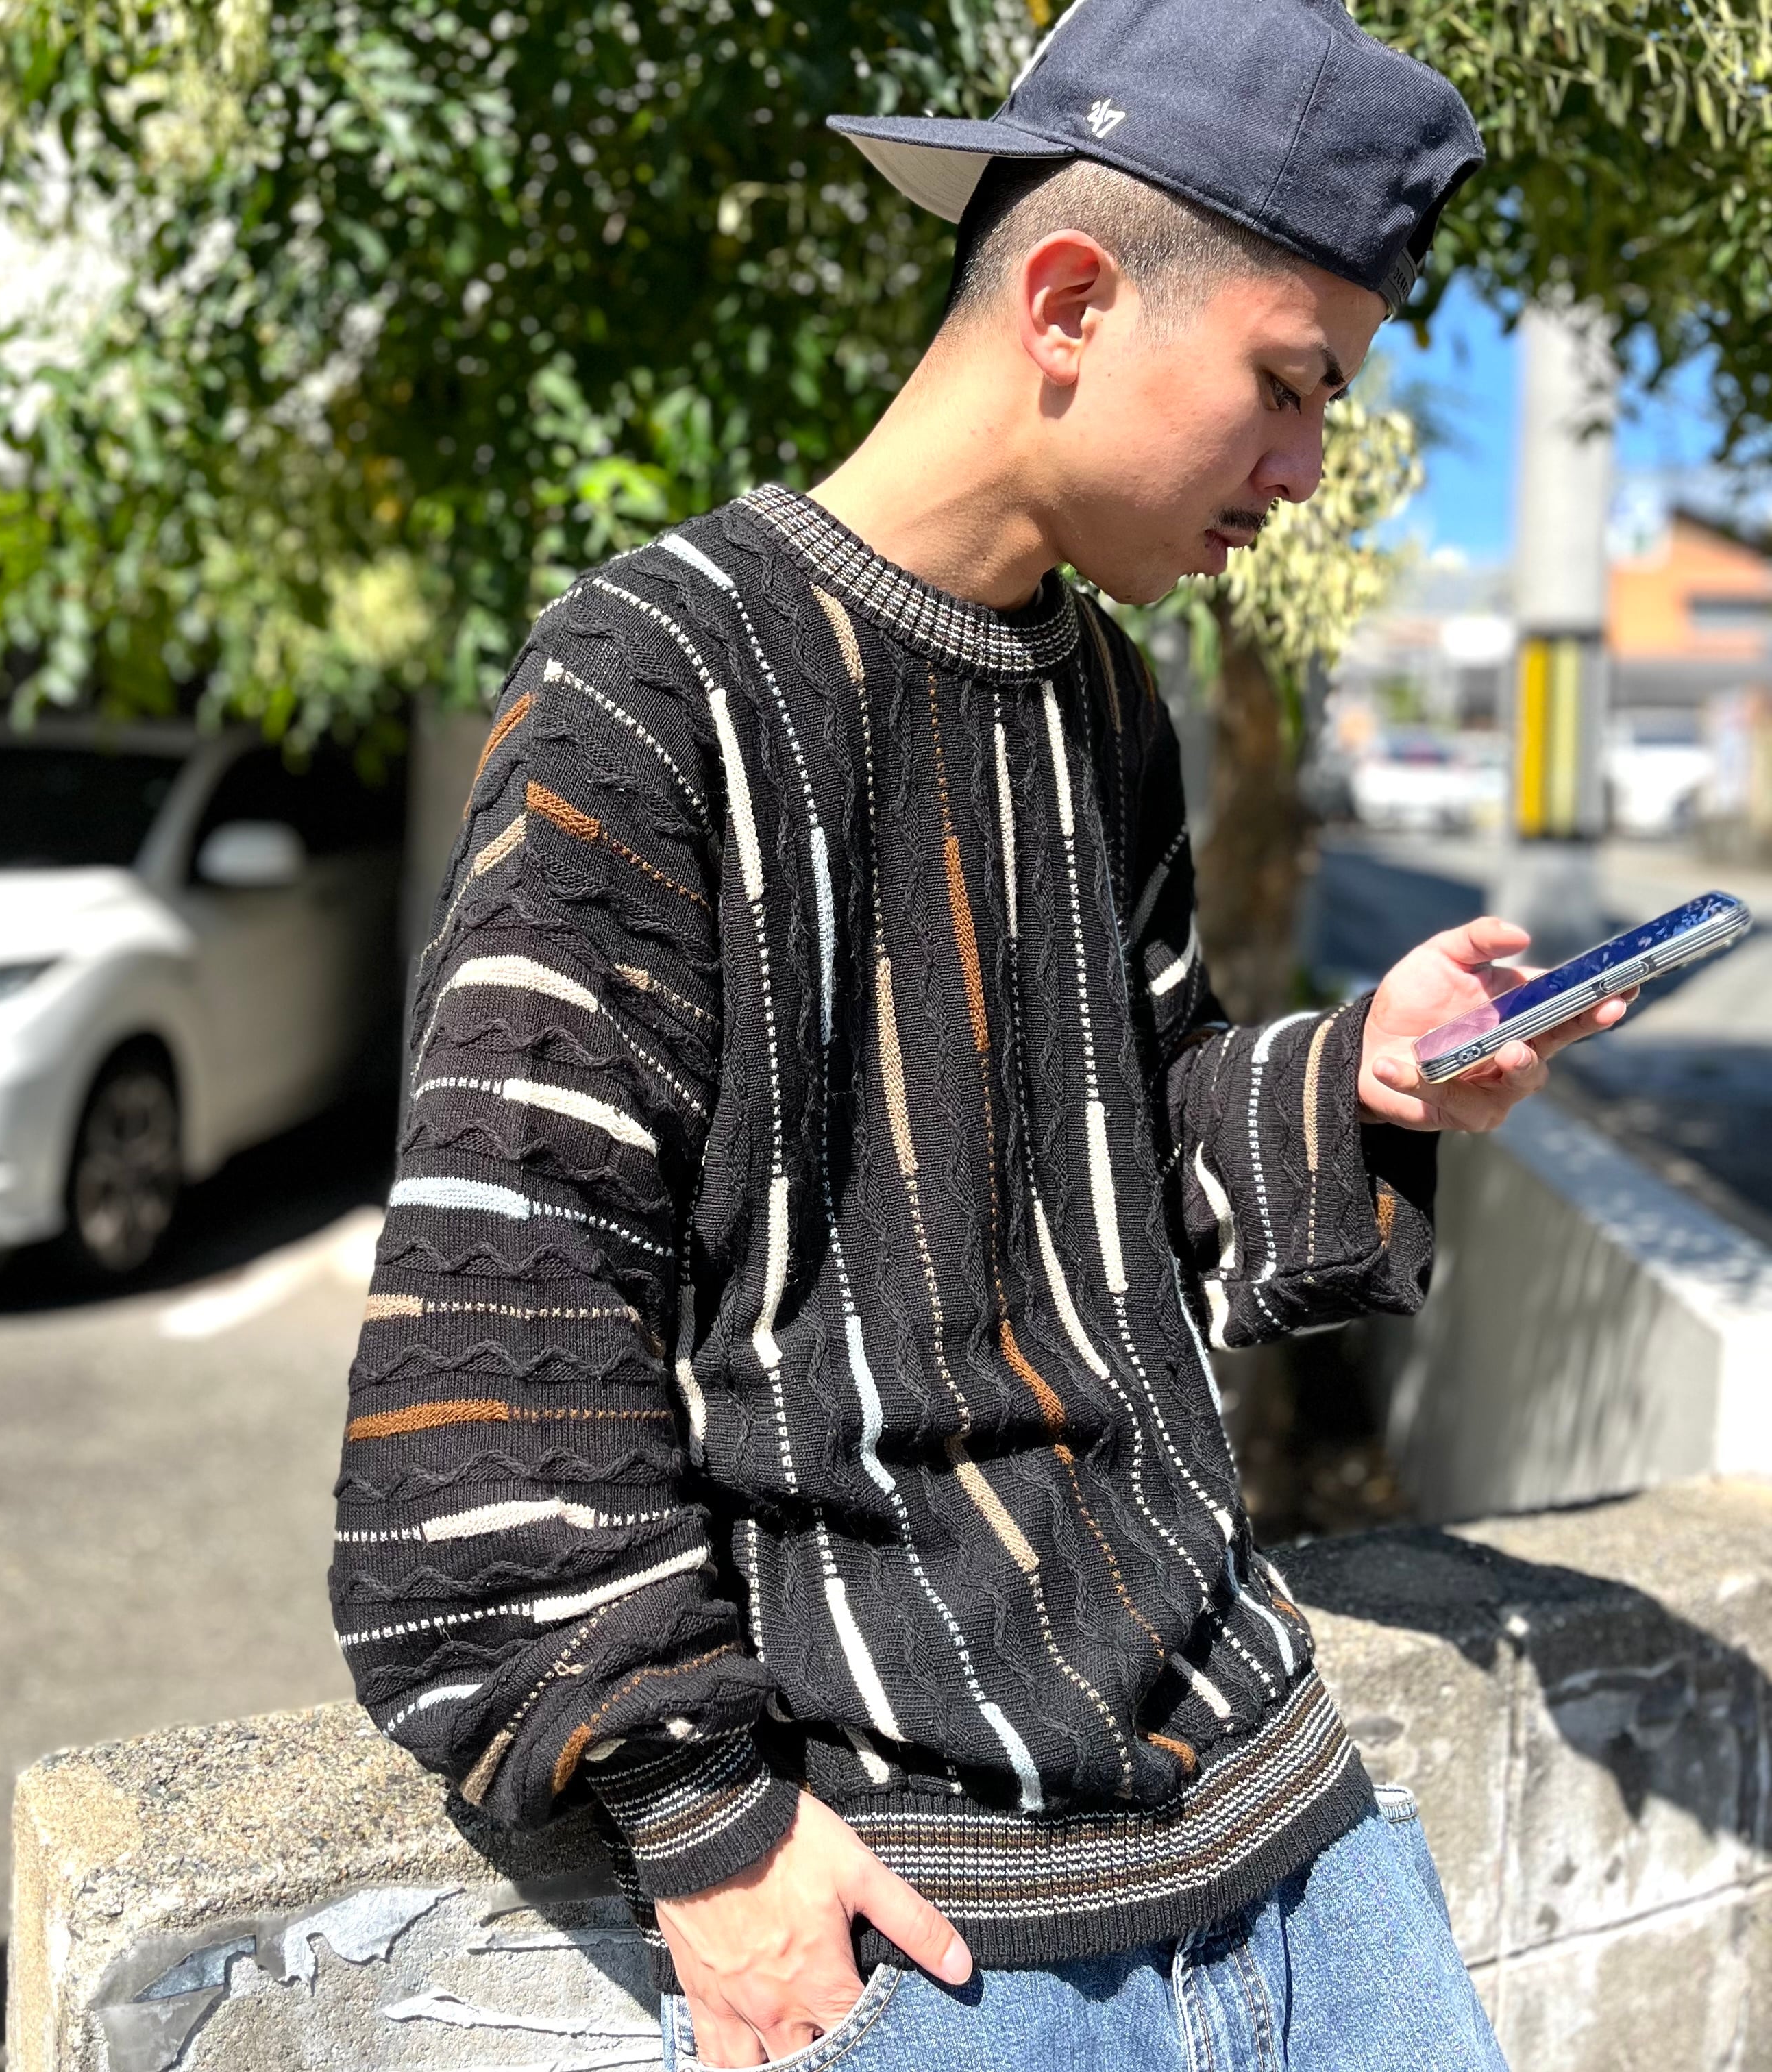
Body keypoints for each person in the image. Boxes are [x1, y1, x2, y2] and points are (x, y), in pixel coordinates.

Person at [330, 2, 1629, 2062]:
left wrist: (1365, 1074)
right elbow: (501, 1321)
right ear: (1072, 301)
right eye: (1289, 386)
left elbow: (1129, 1158)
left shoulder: (1103, 698)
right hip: (929, 1926)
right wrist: (705, 1822)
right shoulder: (652, 682)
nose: (1307, 470)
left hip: (1291, 1827)